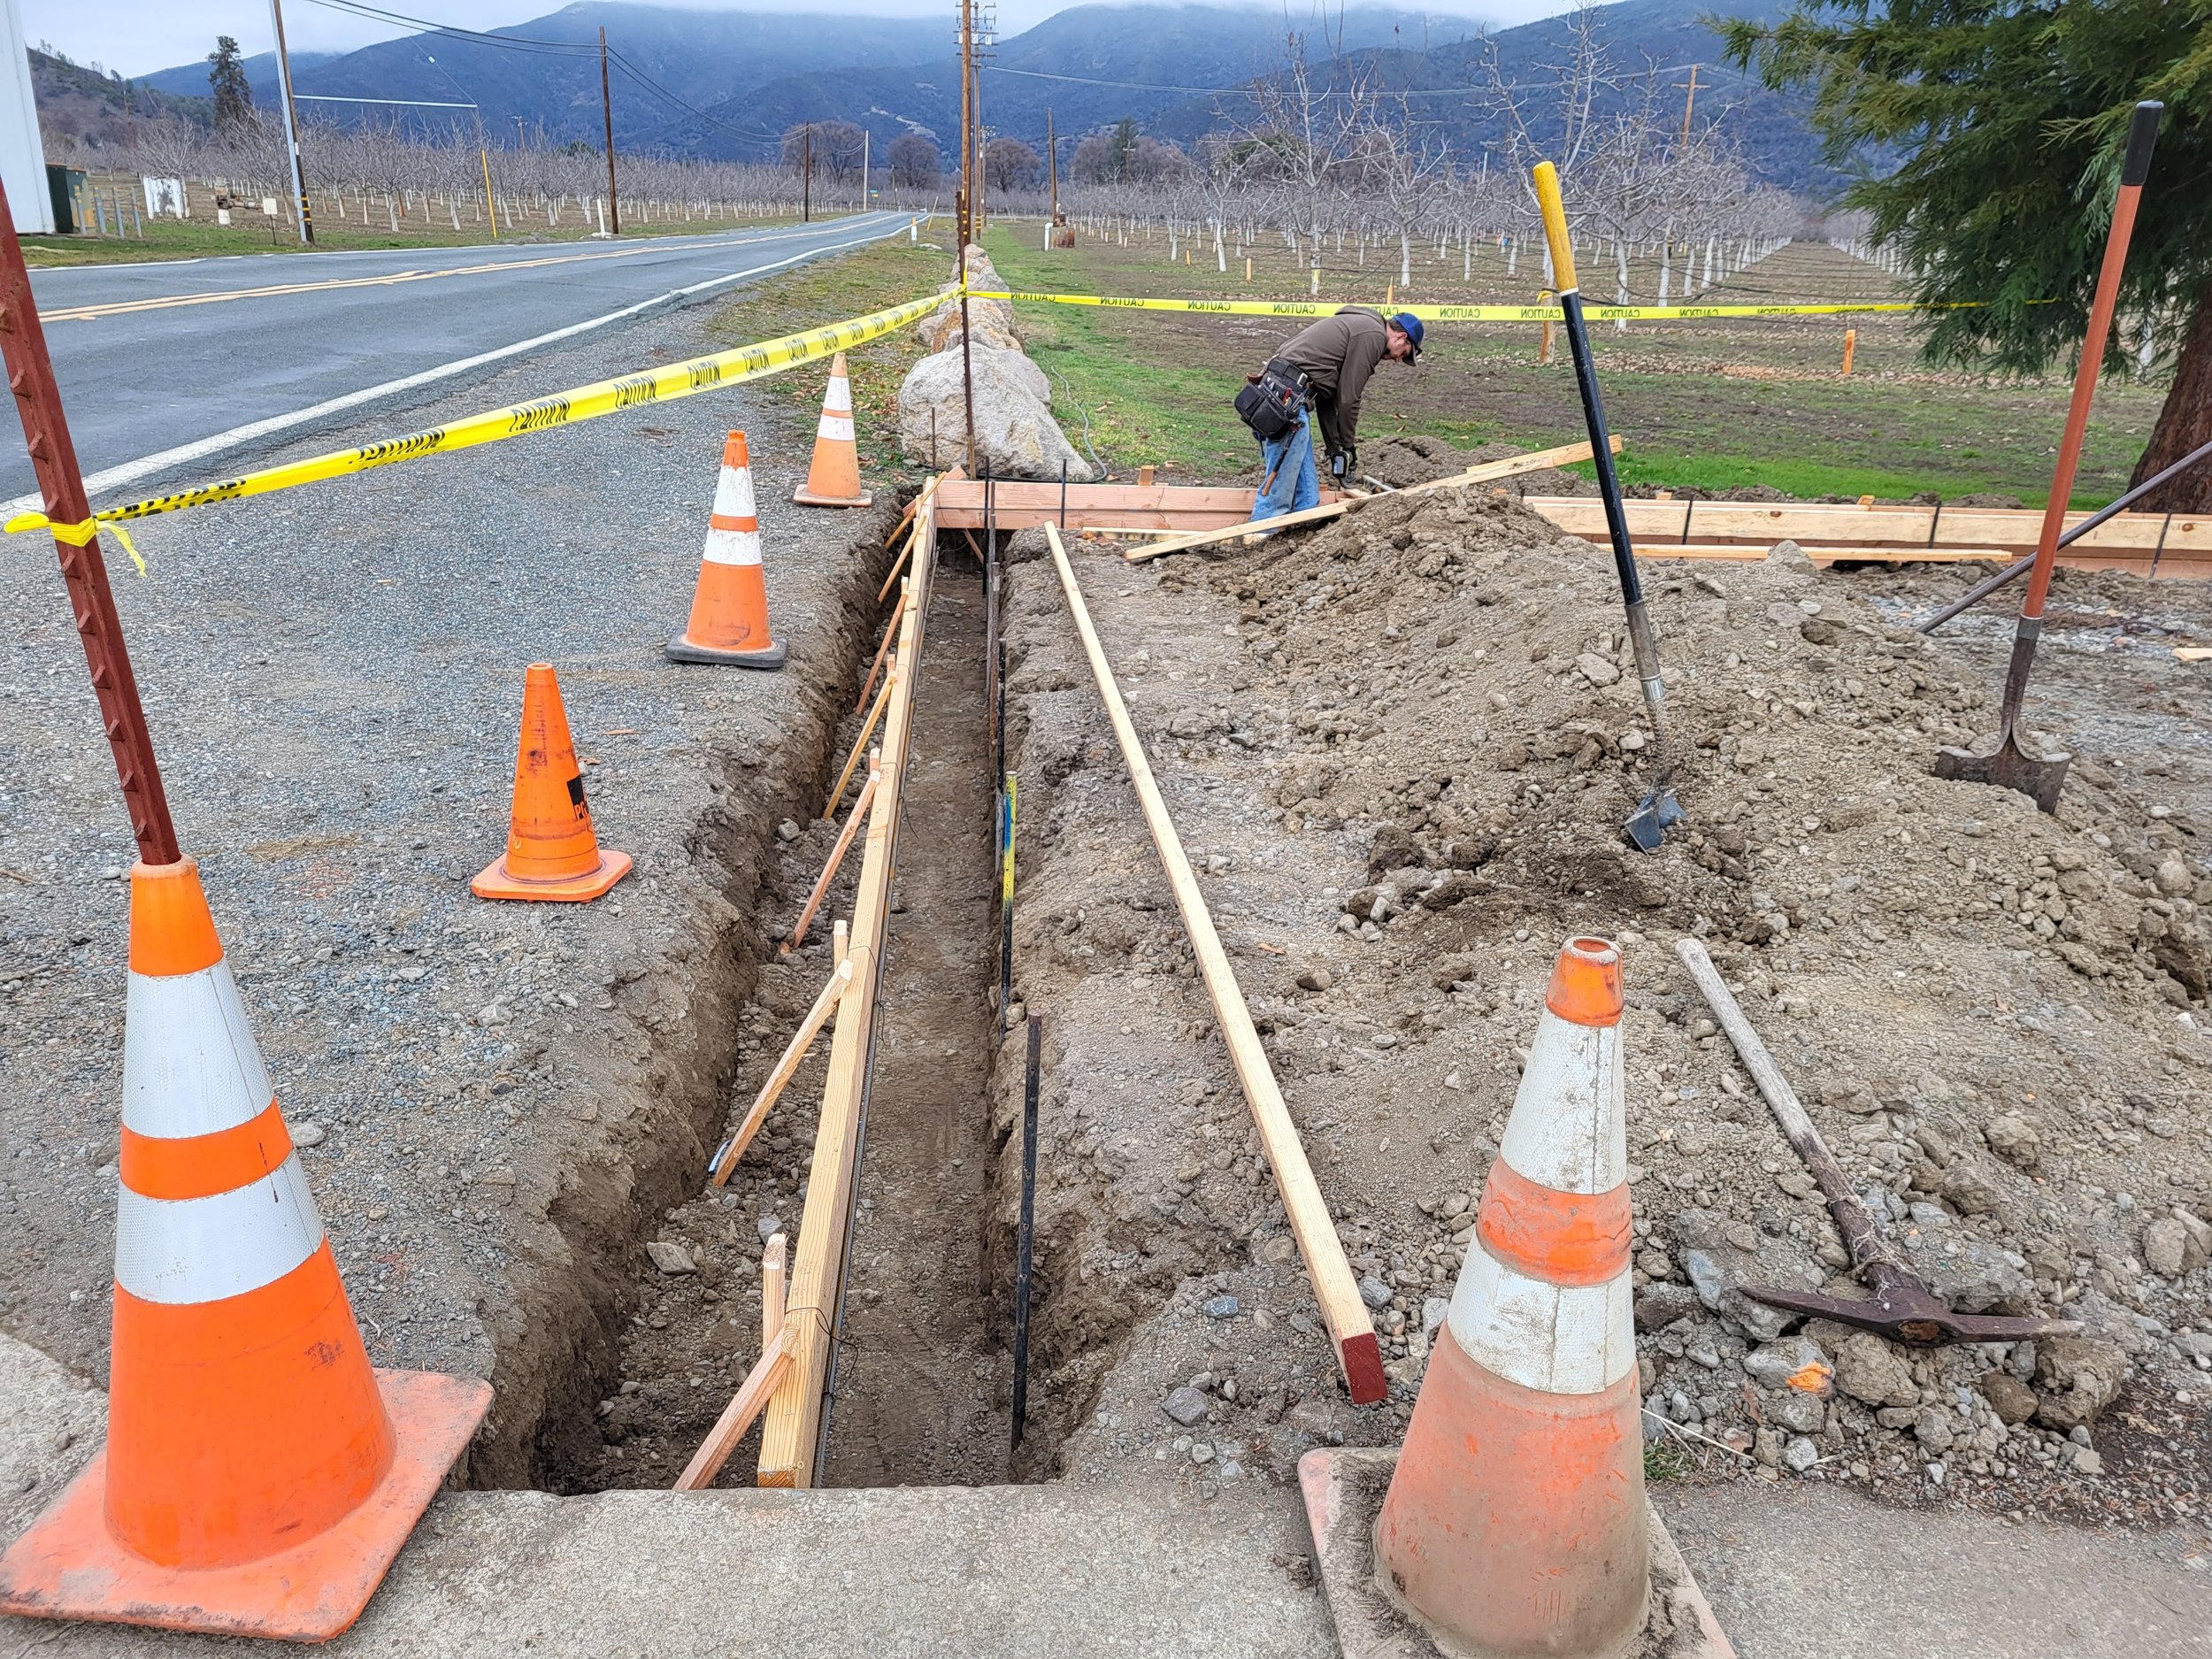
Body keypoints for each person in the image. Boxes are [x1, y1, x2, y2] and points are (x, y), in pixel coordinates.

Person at [1249, 307, 1424, 523]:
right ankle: (1260, 530)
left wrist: (1335, 450)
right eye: (1403, 353)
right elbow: (1349, 399)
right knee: (1280, 482)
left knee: (1308, 496)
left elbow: (1327, 400)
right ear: (1401, 336)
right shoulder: (1373, 335)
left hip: (1284, 393)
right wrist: (1348, 447)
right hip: (1286, 399)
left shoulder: (1362, 326)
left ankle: (1304, 529)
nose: (1398, 359)